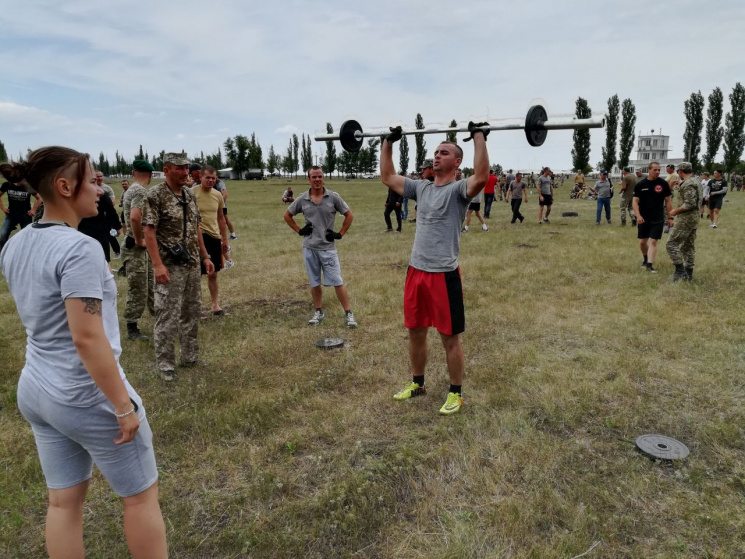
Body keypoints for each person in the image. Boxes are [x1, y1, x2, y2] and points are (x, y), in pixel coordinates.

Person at [0, 147, 167, 558]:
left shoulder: (14, 246)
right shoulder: (80, 249)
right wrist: (123, 407)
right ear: (64, 187)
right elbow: (86, 338)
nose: (100, 189)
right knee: (141, 498)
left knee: (63, 502)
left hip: (37, 389)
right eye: (93, 181)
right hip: (84, 394)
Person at [379, 122, 489, 415]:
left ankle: (456, 393)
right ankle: (418, 383)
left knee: (449, 337)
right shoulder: (421, 187)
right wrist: (388, 142)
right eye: (436, 152)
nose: (437, 156)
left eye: (445, 152)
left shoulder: (457, 191)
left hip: (444, 275)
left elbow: (481, 177)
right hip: (416, 271)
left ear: (457, 162)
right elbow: (387, 176)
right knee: (415, 331)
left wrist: (479, 136)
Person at [142, 152, 215, 381]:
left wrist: (205, 256)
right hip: (169, 266)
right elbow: (149, 232)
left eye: (186, 168)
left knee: (191, 312)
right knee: (167, 315)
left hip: (192, 263)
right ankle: (165, 365)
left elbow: (196, 229)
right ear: (166, 170)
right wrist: (157, 265)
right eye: (179, 168)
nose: (185, 172)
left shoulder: (188, 195)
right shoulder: (155, 195)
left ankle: (190, 357)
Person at [284, 166, 357, 328]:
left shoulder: (333, 197)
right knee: (314, 282)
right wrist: (299, 230)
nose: (317, 180)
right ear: (308, 179)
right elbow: (287, 215)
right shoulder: (302, 199)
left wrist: (340, 234)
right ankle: (318, 311)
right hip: (309, 248)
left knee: (337, 281)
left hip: (328, 249)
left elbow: (349, 215)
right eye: (314, 177)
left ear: (323, 178)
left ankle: (349, 313)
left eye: (320, 176)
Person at [121, 159, 156, 340]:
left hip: (138, 246)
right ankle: (132, 327)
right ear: (150, 175)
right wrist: (139, 239)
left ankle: (159, 318)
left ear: (134, 173)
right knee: (139, 287)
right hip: (135, 248)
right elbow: (135, 218)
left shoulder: (131, 190)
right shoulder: (140, 191)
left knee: (151, 284)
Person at [191, 166, 229, 315]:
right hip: (196, 237)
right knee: (195, 274)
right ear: (200, 177)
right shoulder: (191, 193)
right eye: (208, 177)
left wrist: (224, 239)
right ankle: (195, 307)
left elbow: (221, 218)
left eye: (213, 178)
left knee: (213, 273)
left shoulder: (218, 195)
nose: (211, 181)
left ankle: (215, 305)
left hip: (214, 237)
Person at [633, 161, 673, 273]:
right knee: (642, 242)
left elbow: (668, 201)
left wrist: (670, 217)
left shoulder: (663, 184)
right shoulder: (640, 185)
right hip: (643, 218)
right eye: (655, 170)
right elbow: (635, 202)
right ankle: (645, 259)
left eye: (659, 170)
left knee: (653, 241)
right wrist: (638, 215)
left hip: (658, 217)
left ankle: (650, 265)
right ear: (649, 170)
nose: (657, 172)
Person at [666, 162, 702, 281]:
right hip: (694, 218)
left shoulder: (689, 184)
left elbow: (690, 203)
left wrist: (675, 211)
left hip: (686, 218)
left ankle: (680, 271)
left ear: (680, 172)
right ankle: (689, 273)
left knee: (671, 243)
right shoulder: (696, 180)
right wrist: (681, 185)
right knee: (688, 246)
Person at [78, 188, 122, 263]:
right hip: (94, 230)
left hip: (96, 229)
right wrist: (116, 226)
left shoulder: (73, 193)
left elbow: (110, 210)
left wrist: (116, 226)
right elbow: (110, 210)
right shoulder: (100, 193)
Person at [0, 175, 41, 250]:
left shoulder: (27, 186)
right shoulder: (7, 185)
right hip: (11, 214)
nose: (25, 180)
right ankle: (2, 253)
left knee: (27, 237)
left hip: (25, 215)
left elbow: (39, 198)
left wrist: (33, 210)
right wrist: (2, 208)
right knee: (3, 235)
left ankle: (25, 253)